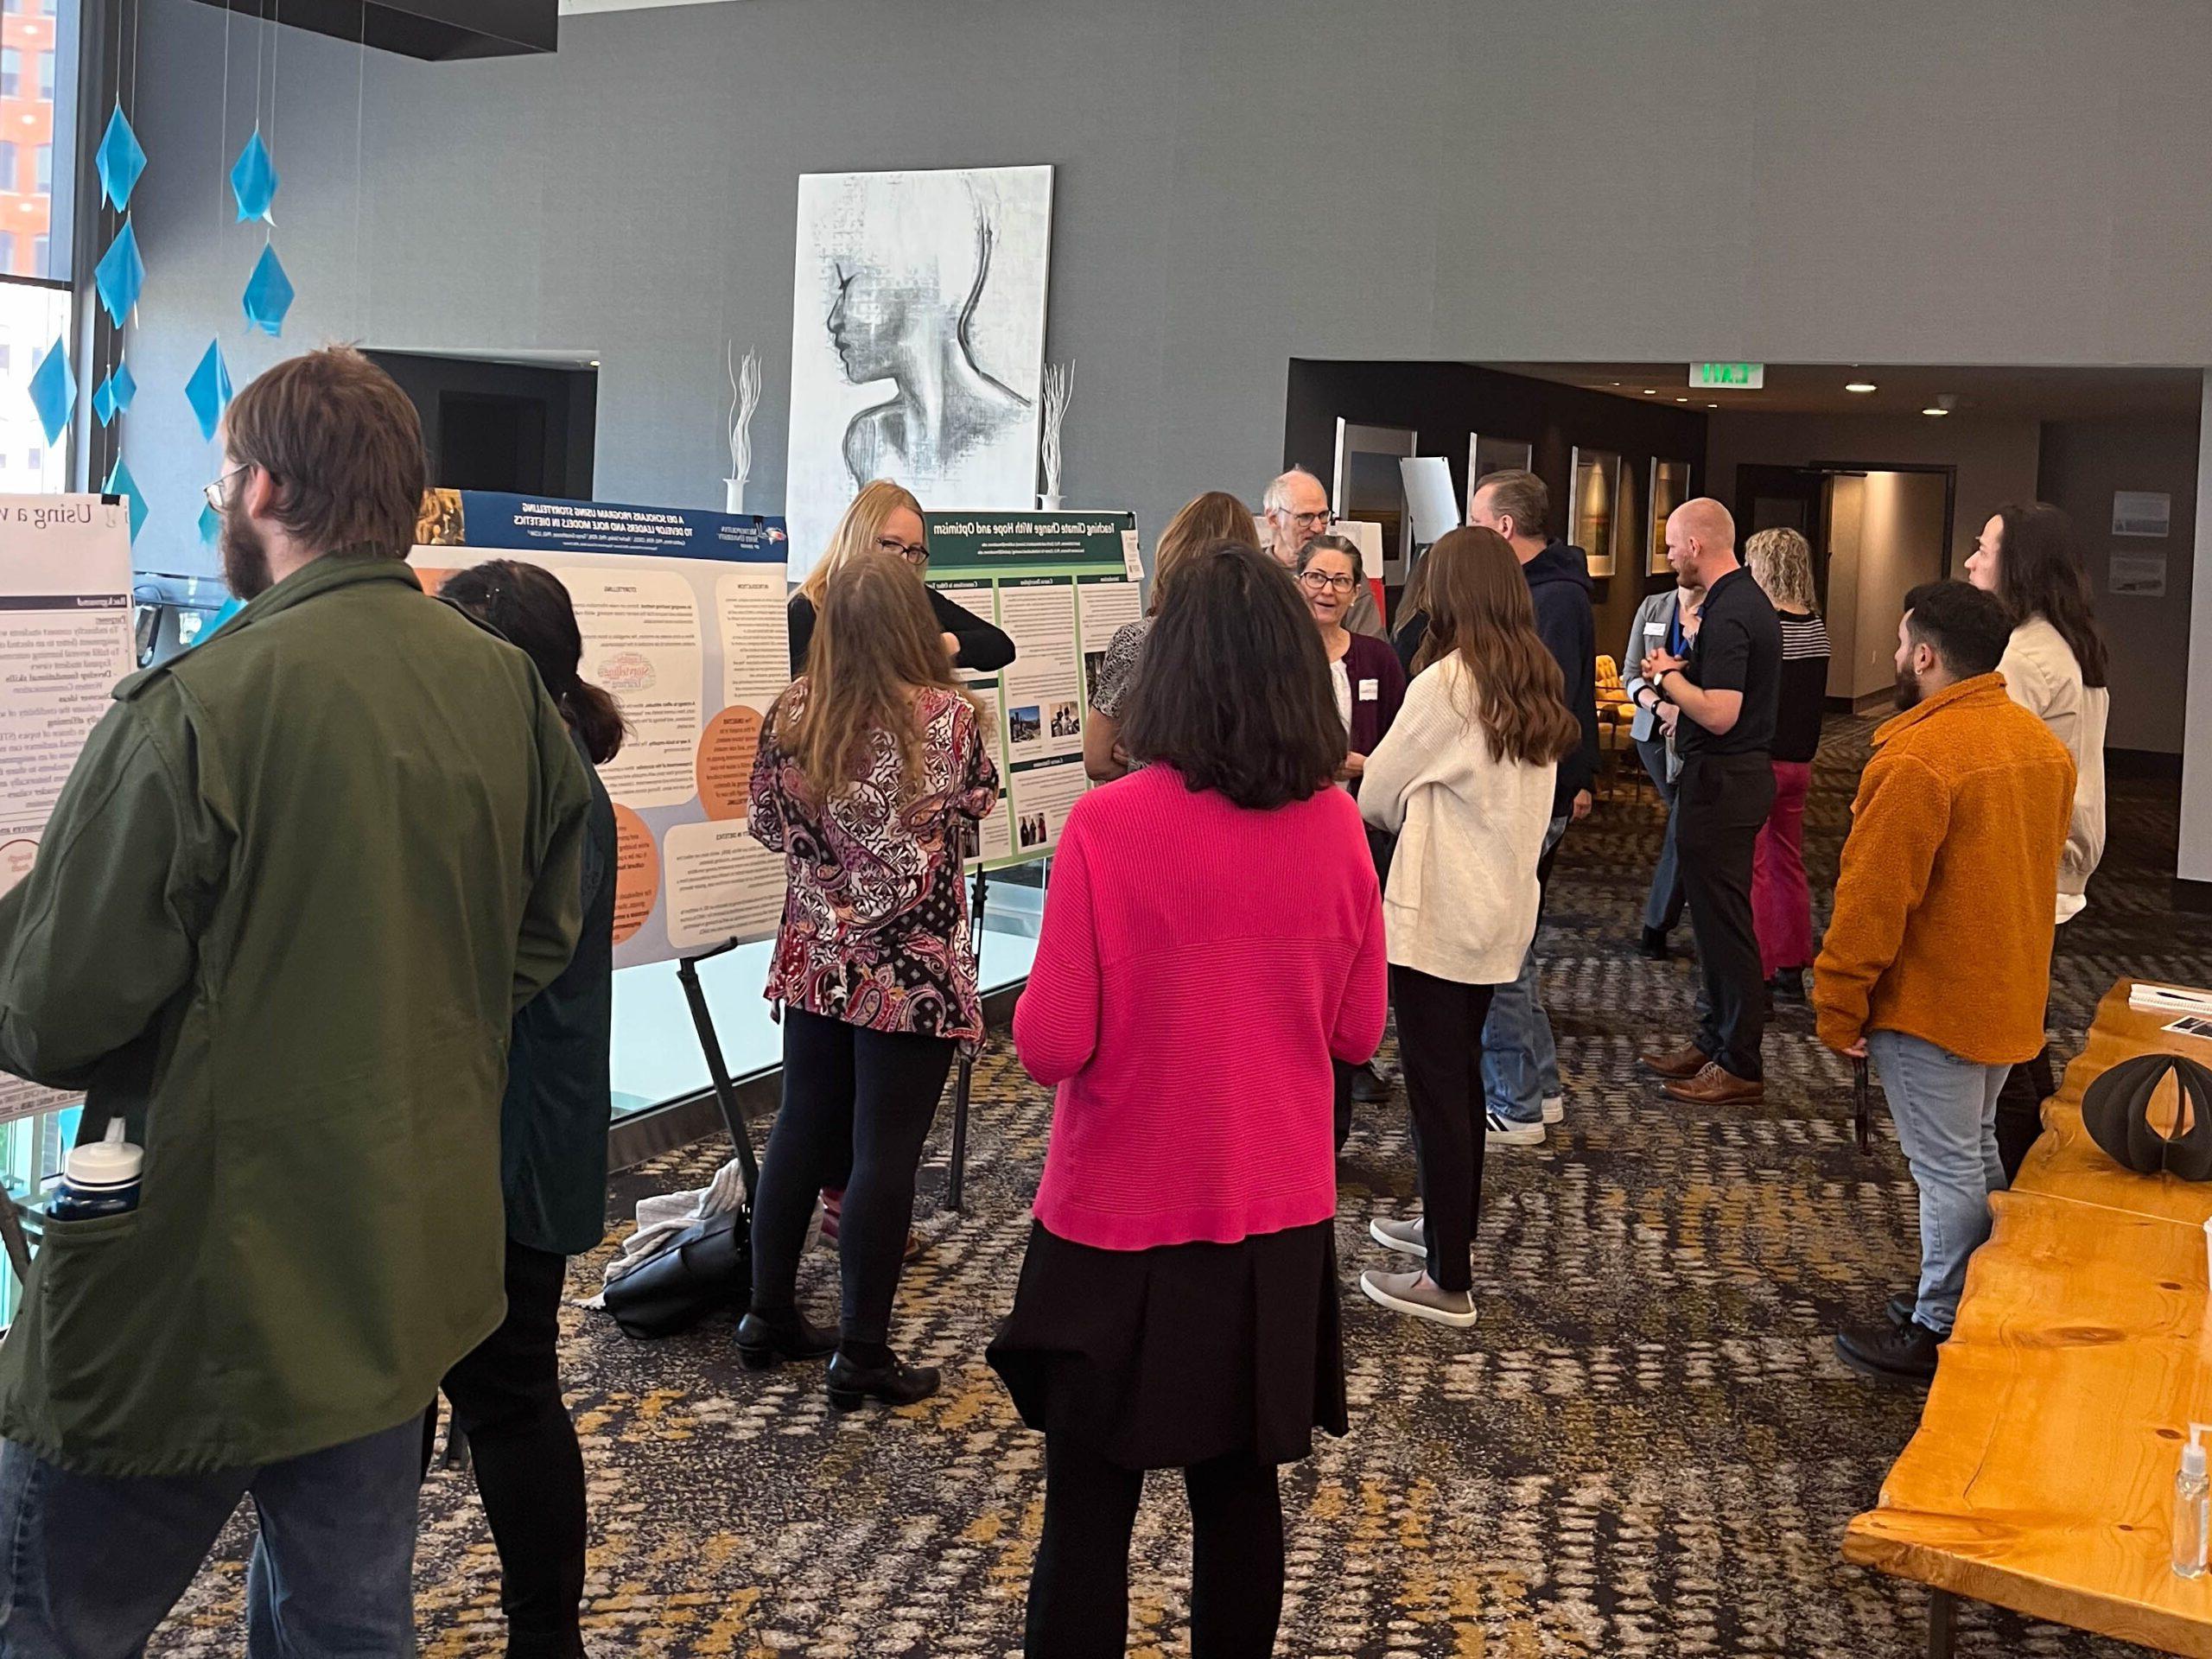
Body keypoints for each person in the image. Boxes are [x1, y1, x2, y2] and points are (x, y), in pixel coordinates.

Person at [0, 346, 592, 1656]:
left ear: (263, 485)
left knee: (49, 1617)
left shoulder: (194, 710)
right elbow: (545, 929)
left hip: (198, 1275)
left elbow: (49, 1015)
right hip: (397, 1261)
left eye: (224, 475)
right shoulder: (503, 689)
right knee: (347, 1623)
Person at [989, 541, 1385, 1659]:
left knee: (1090, 1509)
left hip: (1115, 1219)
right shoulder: (1333, 830)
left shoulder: (1110, 829)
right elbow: (1356, 1033)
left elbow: (1053, 1044)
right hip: (1273, 1220)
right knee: (1238, 1498)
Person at [743, 549, 1001, 1409]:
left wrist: (832, 886)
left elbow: (763, 824)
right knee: (883, 1158)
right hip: (910, 972)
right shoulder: (947, 719)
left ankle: (767, 1314)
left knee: (798, 1132)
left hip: (815, 962)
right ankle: (859, 1352)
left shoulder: (789, 713)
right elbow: (978, 803)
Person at [1814, 582, 2073, 1382]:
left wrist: (1838, 1004)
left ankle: (1938, 1325)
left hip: (1934, 1006)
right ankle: (1971, 1294)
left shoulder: (1921, 759)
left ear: (1926, 656)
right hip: (2007, 995)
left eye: (1900, 646)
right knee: (1976, 1155)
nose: (1894, 658)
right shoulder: (2037, 745)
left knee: (1949, 1169)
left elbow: (1871, 902)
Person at [435, 560, 623, 1659]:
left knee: (507, 1391)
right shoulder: (546, 767)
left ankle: (545, 1633)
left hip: (504, 1137)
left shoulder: (537, 783)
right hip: (514, 1128)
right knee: (503, 1388)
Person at [1356, 528, 1580, 1327]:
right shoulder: (1533, 676)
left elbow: (1374, 795)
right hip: (1499, 916)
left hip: (1438, 919)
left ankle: (1449, 1279)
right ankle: (1442, 1226)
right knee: (1456, 1090)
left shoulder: (1448, 684)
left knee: (1439, 1094)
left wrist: (1409, 796)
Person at [1965, 502, 2112, 1177]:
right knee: (2024, 1027)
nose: (1971, 561)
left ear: (2018, 564)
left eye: (1985, 549)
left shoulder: (2026, 655)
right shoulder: (2069, 639)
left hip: (2031, 858)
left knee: (2006, 1038)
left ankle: (2027, 1188)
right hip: (2064, 851)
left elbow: (1994, 770)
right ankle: (2036, 1173)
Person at [1465, 469, 1599, 1143]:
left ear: (1505, 529)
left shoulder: (1549, 601)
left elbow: (1536, 708)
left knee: (1501, 950)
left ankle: (1516, 1102)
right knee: (1516, 945)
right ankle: (1538, 1090)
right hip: (1537, 791)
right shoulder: (1555, 591)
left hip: (1525, 794)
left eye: (1477, 520)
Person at [1637, 499, 1783, 1106]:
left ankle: (1739, 1060)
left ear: (1696, 545)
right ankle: (1715, 1039)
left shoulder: (1730, 611)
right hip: (1728, 781)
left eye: (1672, 545)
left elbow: (1720, 714)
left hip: (1724, 780)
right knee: (1714, 919)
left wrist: (1668, 677)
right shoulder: (1741, 601)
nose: (1668, 557)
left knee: (1725, 926)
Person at [1298, 532, 1407, 1133]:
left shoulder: (1377, 658)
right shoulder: (1281, 655)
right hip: (1296, 824)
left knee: (1358, 947)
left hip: (1364, 823)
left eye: (1341, 581)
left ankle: (1353, 1053)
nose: (1328, 591)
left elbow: (1402, 737)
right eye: (1317, 576)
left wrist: (1370, 766)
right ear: (1298, 581)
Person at [1084, 489, 1253, 784]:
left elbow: (1097, 760)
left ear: (1173, 549)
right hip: (1244, 812)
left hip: (1158, 814)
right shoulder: (1269, 642)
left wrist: (1141, 760)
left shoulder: (1140, 641)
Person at [787, 478, 1014, 677]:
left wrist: (938, 646)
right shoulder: (807, 609)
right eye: (891, 545)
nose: (903, 560)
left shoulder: (914, 599)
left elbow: (999, 646)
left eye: (914, 550)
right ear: (860, 536)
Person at [1744, 528, 1832, 1002]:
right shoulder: (1815, 626)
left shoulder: (1766, 628)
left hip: (1762, 761)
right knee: (1788, 863)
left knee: (1754, 867)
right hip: (1801, 762)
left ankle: (1755, 965)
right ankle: (1792, 962)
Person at [1622, 571, 1704, 959]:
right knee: (1686, 822)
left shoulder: (1720, 613)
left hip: (1699, 735)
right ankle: (1664, 920)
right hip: (1653, 736)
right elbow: (1630, 676)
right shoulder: (1653, 606)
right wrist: (1662, 706)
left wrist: (1684, 709)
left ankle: (1656, 924)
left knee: (1685, 823)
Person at [1262, 467, 1384, 637]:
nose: (1318, 527)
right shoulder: (1249, 574)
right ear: (1273, 518)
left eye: (1323, 515)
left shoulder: (1344, 573)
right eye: (1305, 517)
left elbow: (1372, 649)